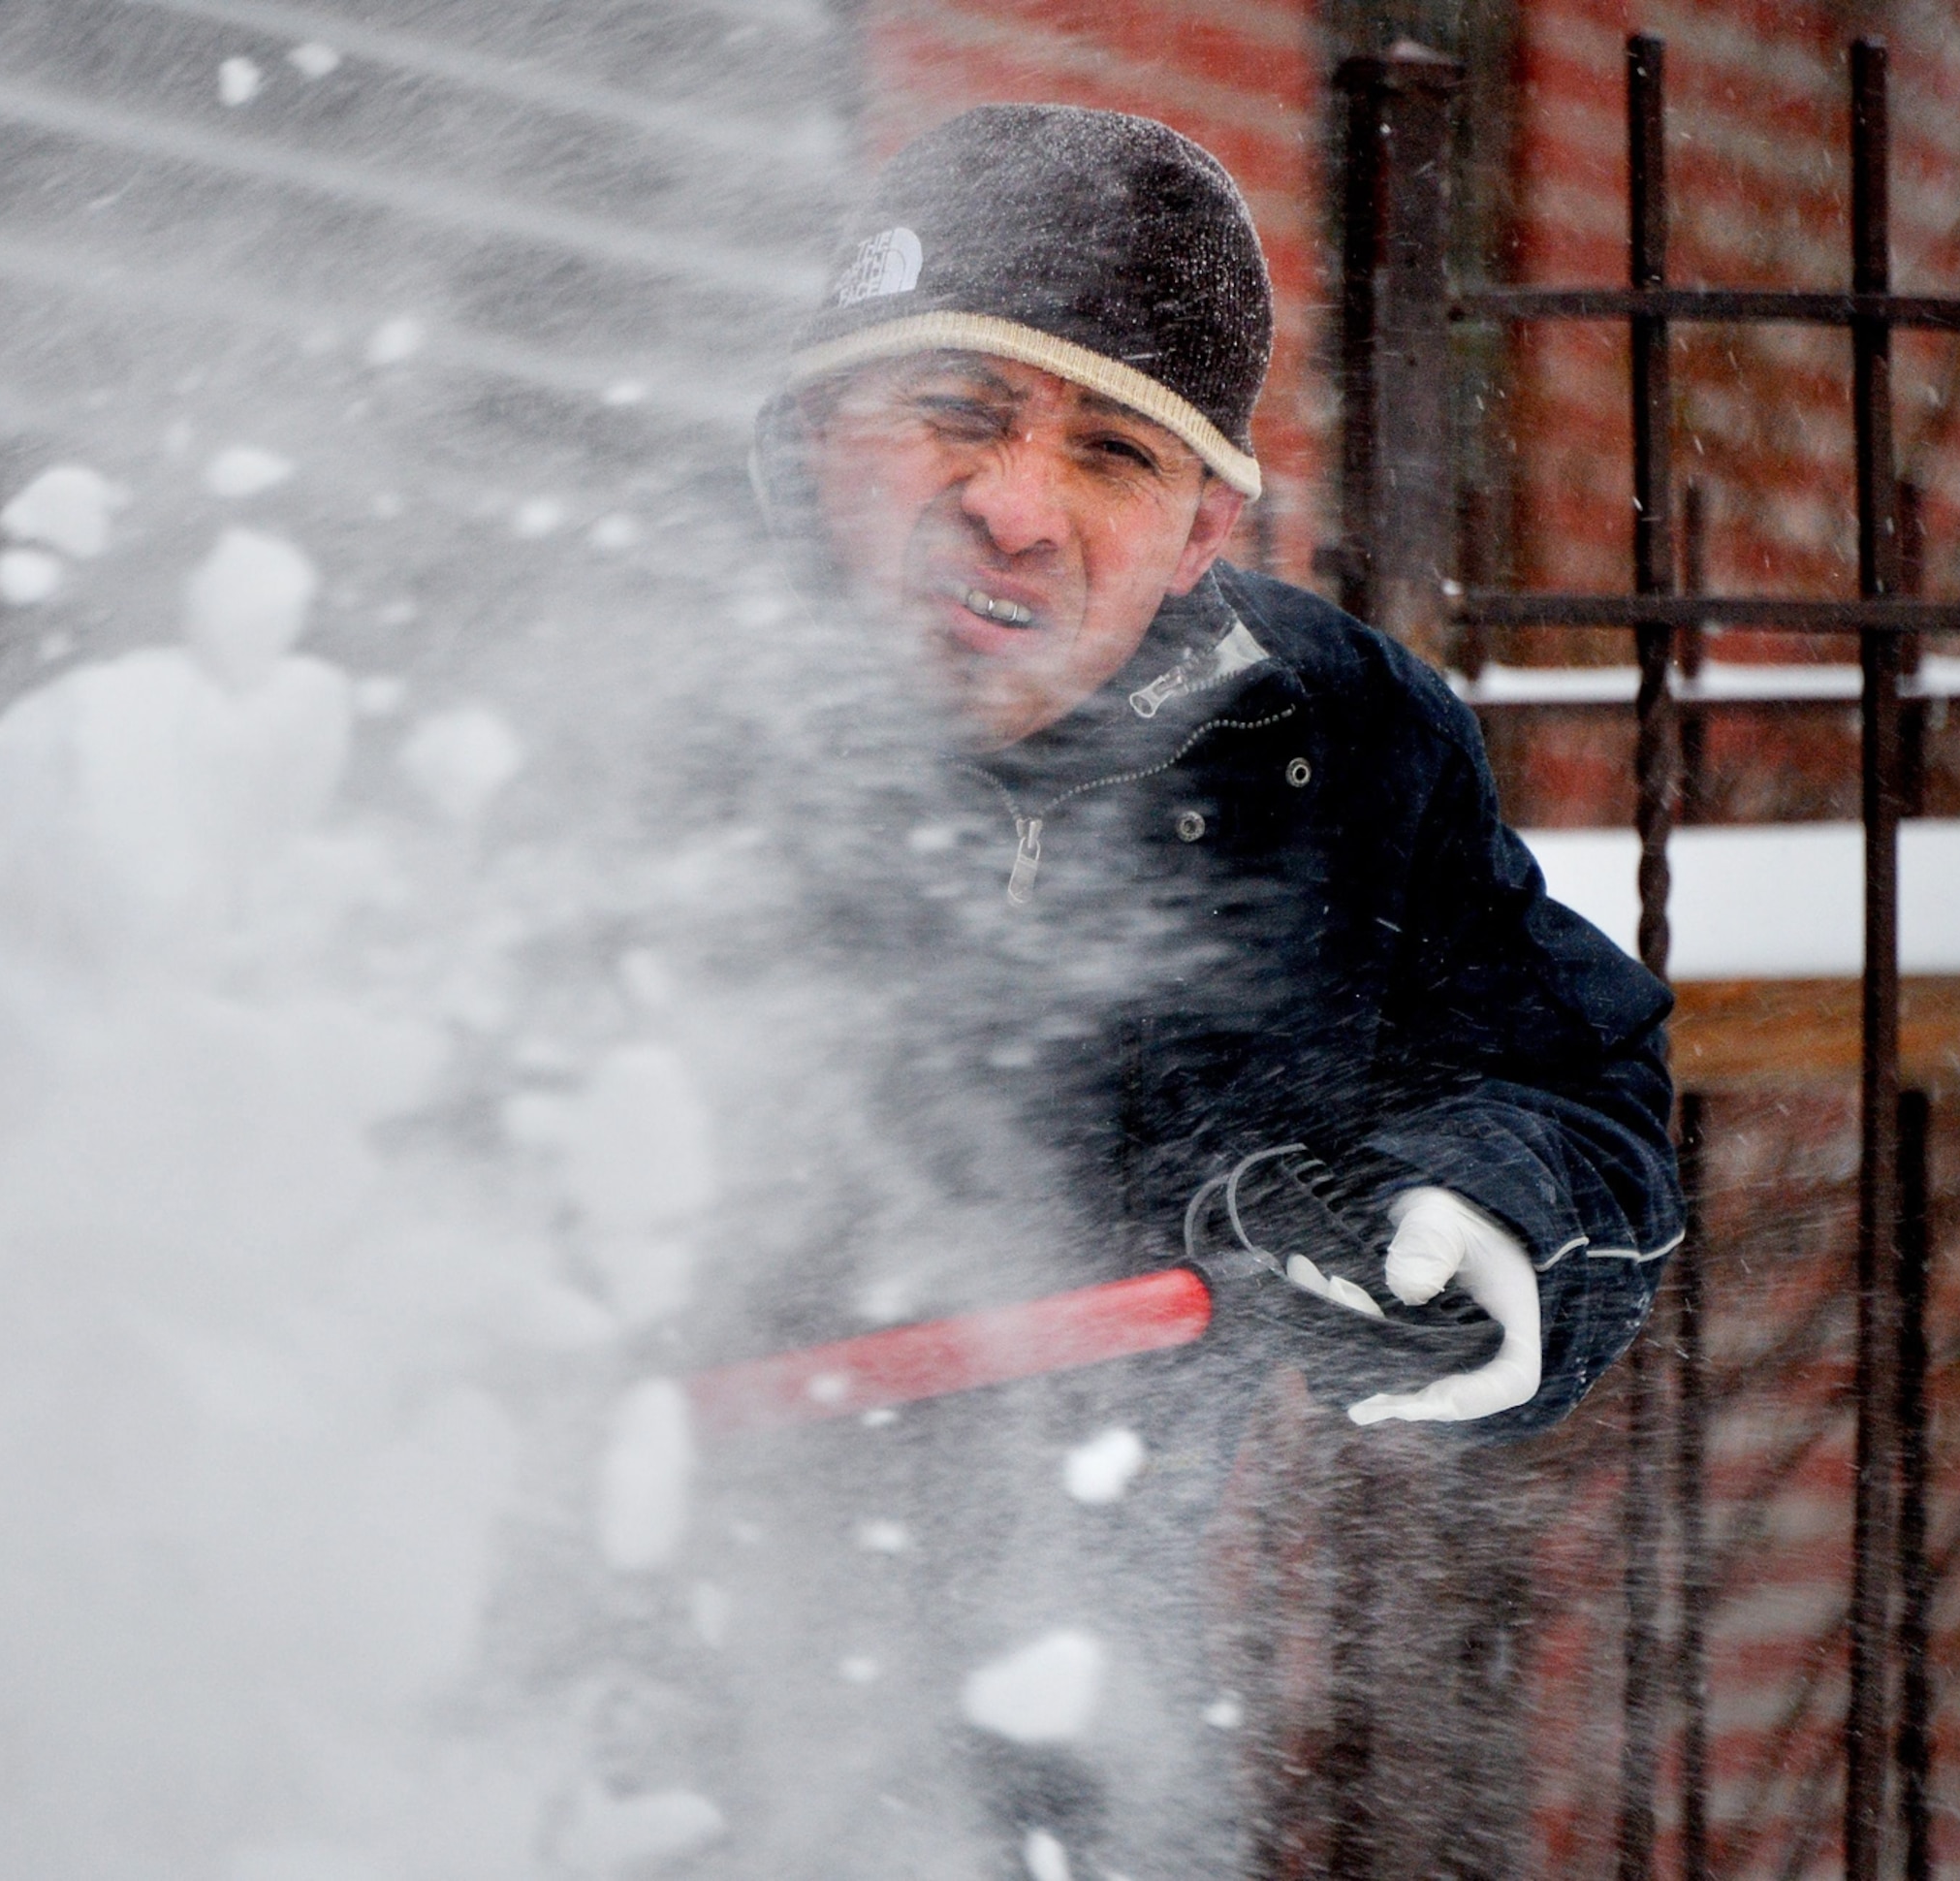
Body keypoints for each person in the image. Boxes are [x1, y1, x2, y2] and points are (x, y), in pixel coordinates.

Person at [711, 104, 1686, 1874]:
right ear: (816, 432)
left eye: (1111, 450)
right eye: (954, 413)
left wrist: (1478, 1214)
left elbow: (1571, 1081)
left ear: (1200, 532)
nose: (1014, 508)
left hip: (1085, 1701)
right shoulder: (605, 707)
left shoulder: (1333, 741)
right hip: (609, 1698)